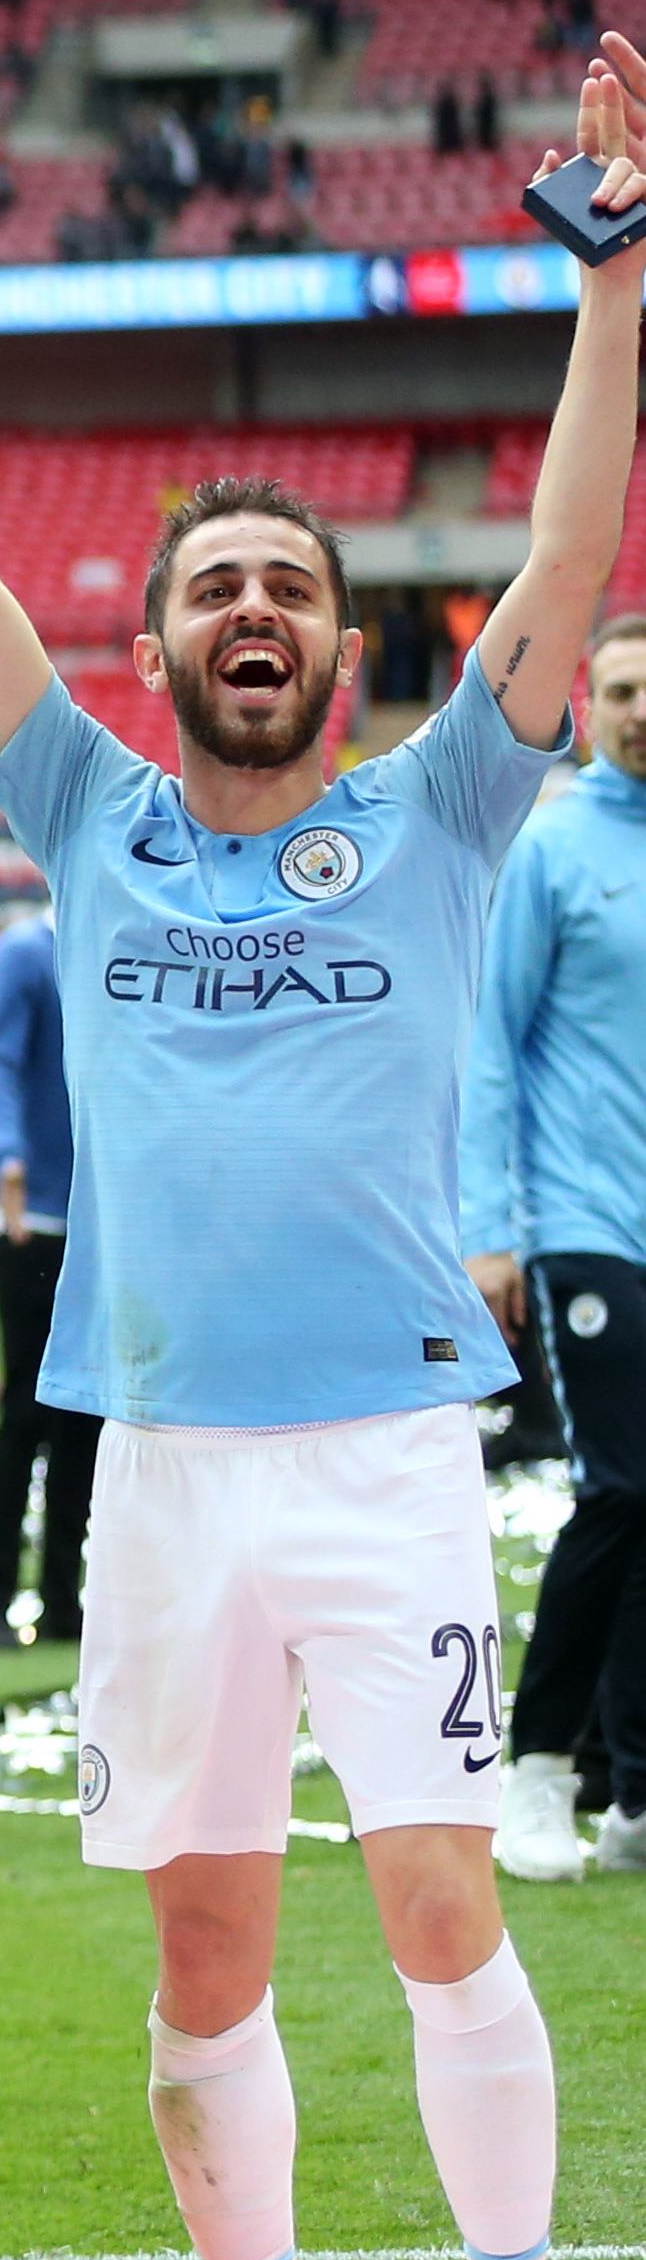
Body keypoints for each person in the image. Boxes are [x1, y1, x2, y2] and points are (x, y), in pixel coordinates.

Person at [0, 43, 643, 2260]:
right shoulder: (85, 818)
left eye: (289, 585)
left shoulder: (437, 814)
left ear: (344, 653)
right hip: (162, 1458)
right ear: (161, 650)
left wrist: (612, 292)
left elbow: (563, 568)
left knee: (435, 1900)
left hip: (386, 1450)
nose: (254, 607)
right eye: (215, 587)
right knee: (201, 1952)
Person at [467, 613, 646, 1881]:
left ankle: (635, 1795)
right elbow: (486, 1040)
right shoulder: (554, 846)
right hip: (582, 1225)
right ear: (596, 702)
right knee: (620, 1490)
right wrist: (490, 1231)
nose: (644, 709)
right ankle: (536, 1774)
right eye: (625, 689)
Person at [0, 907, 91, 1654]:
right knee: (26, 1411)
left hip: (99, 1220)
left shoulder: (110, 941)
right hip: (32, 1218)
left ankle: (62, 1602)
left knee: (87, 1415)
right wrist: (5, 1154)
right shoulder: (25, 953)